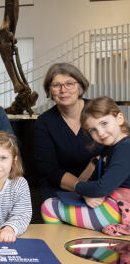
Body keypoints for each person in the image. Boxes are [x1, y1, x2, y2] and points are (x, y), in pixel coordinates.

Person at [41, 97, 130, 235]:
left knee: (49, 208)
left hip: (122, 210)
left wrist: (77, 187)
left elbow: (102, 187)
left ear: (119, 118)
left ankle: (60, 251)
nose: (100, 132)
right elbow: (92, 183)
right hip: (113, 204)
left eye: (104, 123)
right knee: (53, 202)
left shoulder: (125, 148)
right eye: (93, 130)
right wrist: (87, 194)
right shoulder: (110, 148)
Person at [34, 63, 102, 201]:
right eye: (56, 85)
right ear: (50, 90)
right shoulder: (44, 122)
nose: (63, 90)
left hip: (102, 185)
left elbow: (122, 145)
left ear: (80, 86)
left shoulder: (99, 111)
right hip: (61, 189)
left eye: (69, 83)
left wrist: (95, 165)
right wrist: (82, 188)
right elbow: (49, 170)